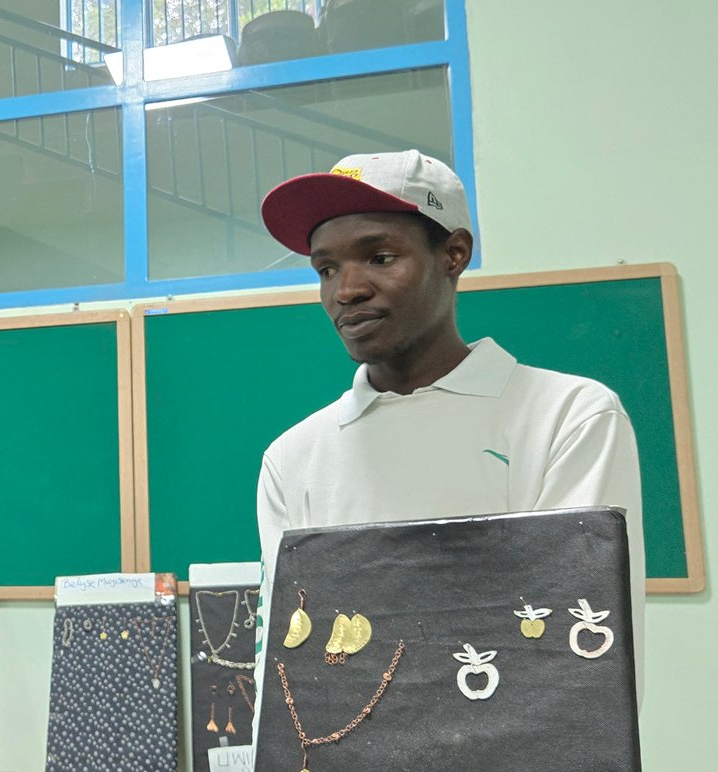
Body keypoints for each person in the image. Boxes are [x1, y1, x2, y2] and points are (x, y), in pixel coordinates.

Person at [254, 150, 644, 675]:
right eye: (327, 268)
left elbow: (581, 655)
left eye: (380, 258)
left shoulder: (568, 418)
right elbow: (289, 664)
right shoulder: (294, 457)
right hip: (344, 757)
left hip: (520, 757)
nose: (346, 290)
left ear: (453, 253)